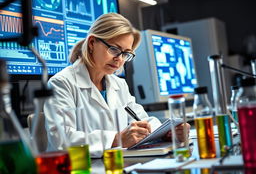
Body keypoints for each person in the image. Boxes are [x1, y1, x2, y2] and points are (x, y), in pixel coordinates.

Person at [44, 13, 189, 157]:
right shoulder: (61, 83)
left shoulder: (118, 84)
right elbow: (61, 140)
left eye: (126, 54)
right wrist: (117, 139)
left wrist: (168, 132)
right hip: (78, 171)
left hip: (116, 165)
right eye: (114, 49)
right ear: (92, 43)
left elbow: (141, 121)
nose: (119, 59)